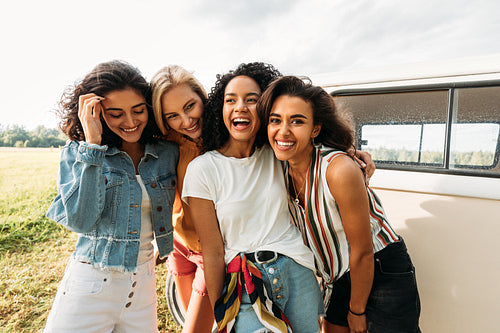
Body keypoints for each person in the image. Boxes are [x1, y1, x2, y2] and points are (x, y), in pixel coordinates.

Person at [259, 76, 421, 333]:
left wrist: (357, 311)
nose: (284, 131)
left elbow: (363, 252)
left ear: (315, 129)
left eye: (297, 121)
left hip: (378, 268)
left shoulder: (337, 170)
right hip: (339, 275)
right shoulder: (277, 166)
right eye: (275, 120)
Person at [182, 62, 324, 333]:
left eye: (251, 100)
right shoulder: (202, 169)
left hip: (297, 273)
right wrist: (220, 312)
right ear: (220, 110)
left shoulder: (278, 152)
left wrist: (354, 153)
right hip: (245, 283)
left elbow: (318, 126)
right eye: (230, 100)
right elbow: (212, 252)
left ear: (265, 109)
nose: (240, 107)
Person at [44, 60, 179, 333]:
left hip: (142, 286)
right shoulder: (79, 153)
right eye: (116, 114)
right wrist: (92, 146)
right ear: (94, 112)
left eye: (138, 110)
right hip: (92, 285)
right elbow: (80, 221)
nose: (130, 122)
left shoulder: (166, 152)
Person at [150, 65, 215, 332]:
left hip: (211, 250)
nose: (186, 121)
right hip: (178, 244)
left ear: (202, 97)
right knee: (189, 318)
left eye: (190, 106)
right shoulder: (168, 138)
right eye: (173, 115)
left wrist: (347, 149)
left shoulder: (227, 134)